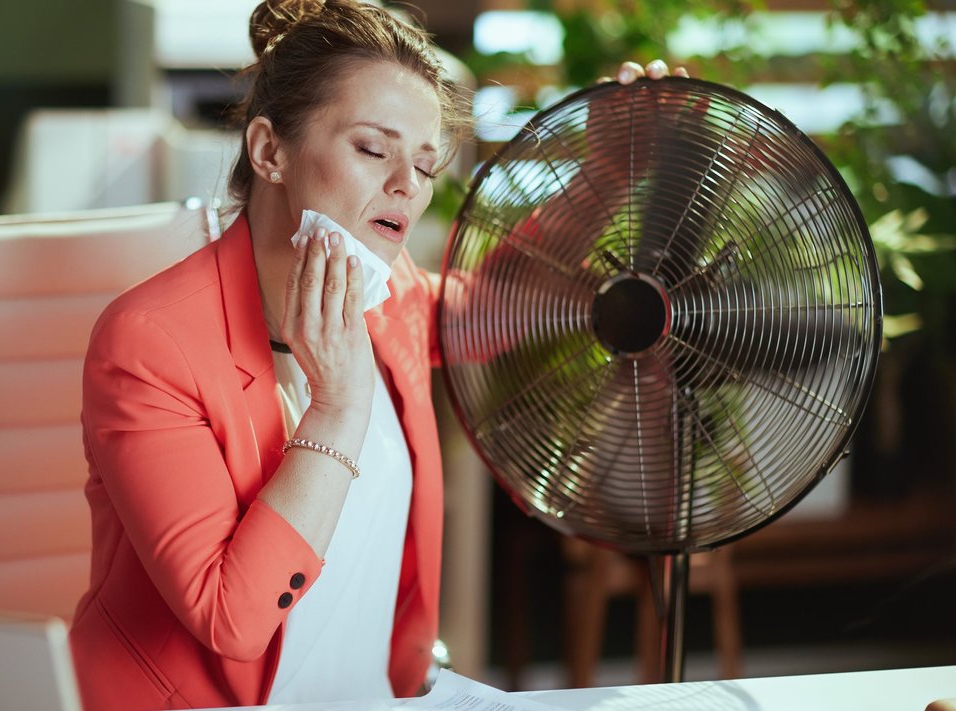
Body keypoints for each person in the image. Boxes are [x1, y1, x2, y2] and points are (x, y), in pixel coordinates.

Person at [68, 1, 685, 709]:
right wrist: (337, 407)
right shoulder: (148, 343)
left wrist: (606, 171)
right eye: (372, 149)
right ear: (270, 151)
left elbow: (486, 308)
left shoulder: (383, 297)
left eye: (424, 165)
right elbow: (229, 615)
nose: (407, 185)